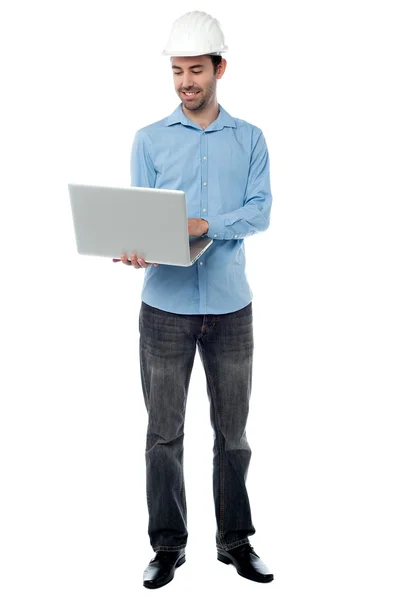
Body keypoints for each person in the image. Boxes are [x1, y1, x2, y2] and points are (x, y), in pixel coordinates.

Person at [113, 10, 274, 589]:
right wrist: (134, 247)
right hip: (164, 310)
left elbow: (261, 211)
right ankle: (167, 545)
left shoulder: (250, 138)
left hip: (232, 307)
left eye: (196, 70)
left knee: (233, 434)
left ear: (220, 68)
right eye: (178, 71)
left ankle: (235, 541)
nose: (186, 81)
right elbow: (138, 217)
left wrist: (208, 223)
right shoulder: (149, 140)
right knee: (163, 435)